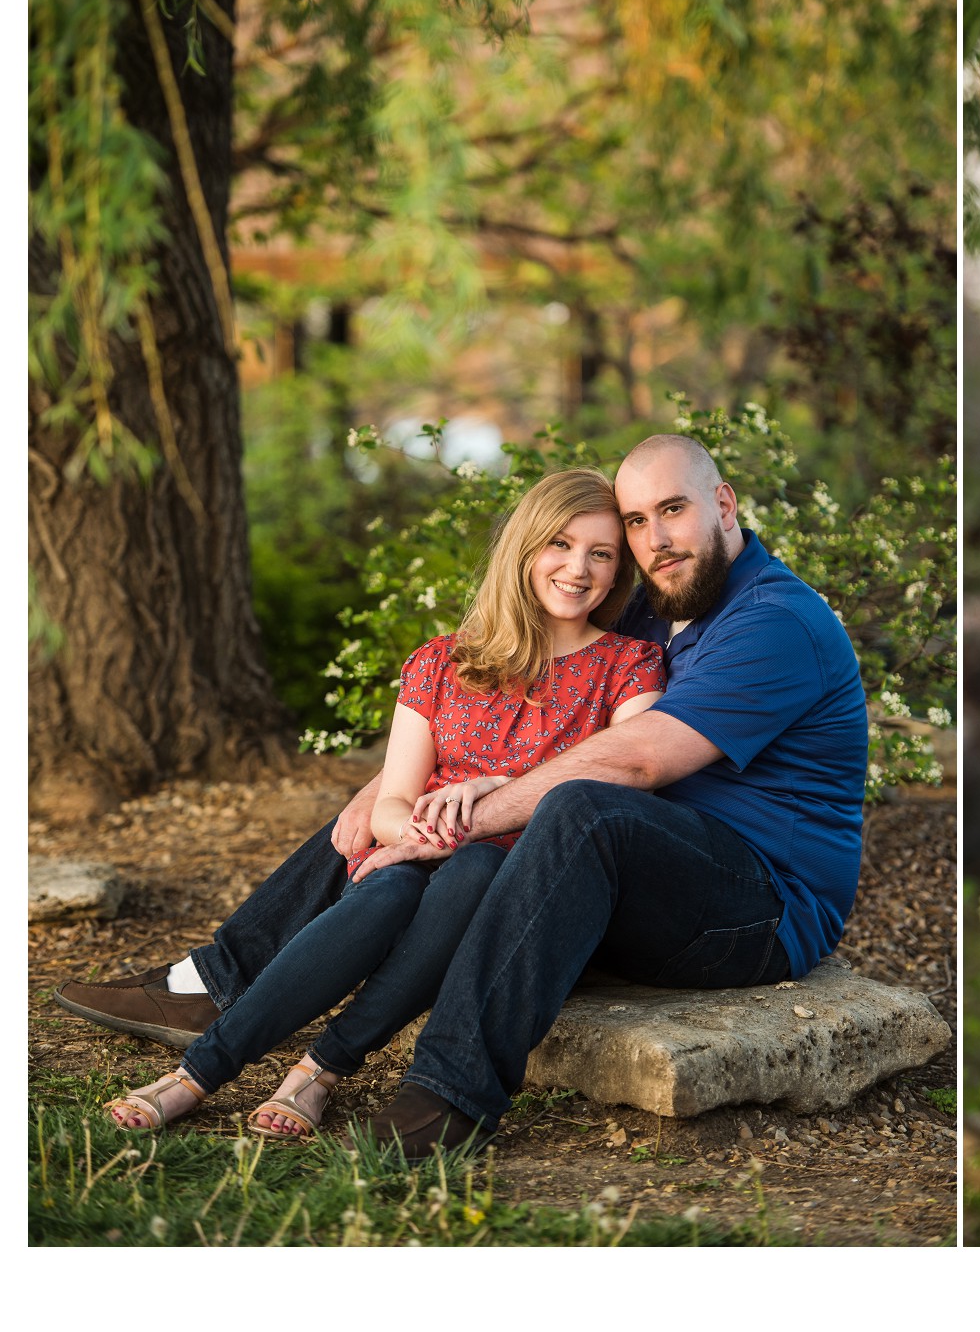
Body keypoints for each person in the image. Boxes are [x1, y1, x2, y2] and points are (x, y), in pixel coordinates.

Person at [58, 434, 870, 1159]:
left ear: (723, 504)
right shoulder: (668, 607)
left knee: (564, 812)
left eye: (673, 511)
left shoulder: (774, 621)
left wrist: (448, 817)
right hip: (657, 878)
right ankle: (217, 981)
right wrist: (393, 788)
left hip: (760, 910)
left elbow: (632, 762)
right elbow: (541, 726)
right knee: (396, 816)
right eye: (636, 521)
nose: (653, 540)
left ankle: (447, 1095)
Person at [95, 468, 664, 1137]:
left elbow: (623, 787)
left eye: (601, 554)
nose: (578, 568)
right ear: (524, 549)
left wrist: (491, 796)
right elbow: (391, 803)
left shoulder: (633, 666)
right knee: (391, 888)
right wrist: (418, 838)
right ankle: (281, 1073)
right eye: (560, 545)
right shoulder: (443, 663)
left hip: (524, 899)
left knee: (474, 871)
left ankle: (224, 1072)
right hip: (420, 870)